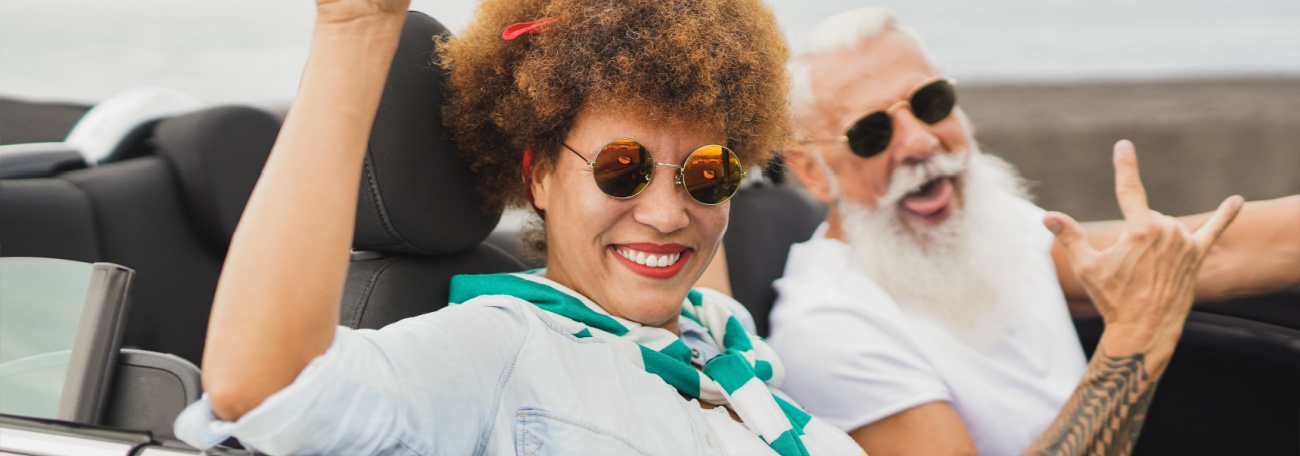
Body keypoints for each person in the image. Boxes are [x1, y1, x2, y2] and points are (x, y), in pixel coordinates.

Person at [173, 0, 873, 454]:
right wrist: (357, 28)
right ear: (538, 175)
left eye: (708, 173)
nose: (665, 214)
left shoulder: (716, 333)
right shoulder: (498, 351)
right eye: (619, 169)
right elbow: (264, 389)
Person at [765, 7, 1300, 456]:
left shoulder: (983, 226)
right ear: (812, 170)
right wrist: (1134, 345)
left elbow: (1216, 253)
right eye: (871, 132)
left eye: (930, 104)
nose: (921, 142)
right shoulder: (830, 328)